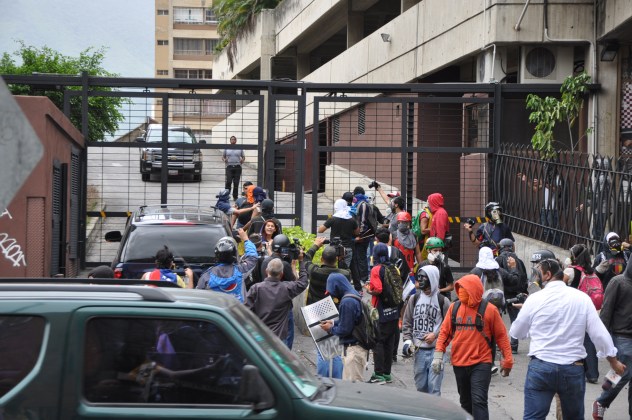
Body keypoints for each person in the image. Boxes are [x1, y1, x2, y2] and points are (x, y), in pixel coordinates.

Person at [509, 258, 625, 420]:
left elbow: (517, 332)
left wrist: (532, 323)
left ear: (548, 275)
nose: (536, 278)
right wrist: (613, 361)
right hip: (572, 370)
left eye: (539, 273)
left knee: (533, 417)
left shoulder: (534, 300)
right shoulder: (582, 298)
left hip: (541, 367)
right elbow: (599, 334)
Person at [434, 274, 513, 420]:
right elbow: (445, 333)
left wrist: (508, 360)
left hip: (481, 363)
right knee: (465, 402)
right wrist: (438, 355)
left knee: (479, 401)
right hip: (459, 362)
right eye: (460, 288)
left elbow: (501, 336)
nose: (462, 292)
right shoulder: (454, 308)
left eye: (465, 288)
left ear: (475, 290)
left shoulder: (490, 310)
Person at [304, 237, 352, 379]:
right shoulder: (344, 274)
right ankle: (337, 380)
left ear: (322, 259)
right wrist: (341, 257)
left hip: (315, 312)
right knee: (335, 349)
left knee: (322, 349)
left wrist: (315, 245)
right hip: (335, 312)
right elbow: (346, 269)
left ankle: (322, 379)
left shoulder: (315, 271)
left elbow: (305, 260)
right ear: (336, 259)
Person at [401, 265, 450, 395]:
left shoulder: (443, 301)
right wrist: (407, 340)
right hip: (419, 351)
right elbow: (406, 322)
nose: (420, 280)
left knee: (434, 388)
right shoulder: (414, 298)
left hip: (437, 351)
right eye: (419, 277)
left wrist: (435, 335)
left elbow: (450, 325)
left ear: (432, 278)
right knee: (421, 387)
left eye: (424, 277)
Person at [593, 259, 632, 420]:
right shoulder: (618, 282)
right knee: (624, 372)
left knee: (624, 372)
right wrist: (603, 341)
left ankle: (609, 383)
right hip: (621, 335)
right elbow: (606, 311)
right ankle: (602, 401)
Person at [562, 243, 601, 383]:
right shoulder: (591, 271)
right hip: (589, 310)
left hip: (573, 311)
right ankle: (592, 374)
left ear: (574, 256)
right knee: (588, 341)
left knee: (572, 339)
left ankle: (572, 369)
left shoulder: (570, 271)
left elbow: (557, 287)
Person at [245, 257, 308, 344]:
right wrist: (301, 262)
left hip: (260, 336)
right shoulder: (287, 288)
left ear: (266, 271)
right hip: (279, 338)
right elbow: (303, 282)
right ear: (281, 274)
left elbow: (246, 311)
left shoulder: (255, 288)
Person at [320, 273, 368, 382]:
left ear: (337, 286)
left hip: (353, 351)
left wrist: (330, 329)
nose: (333, 295)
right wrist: (332, 322)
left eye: (332, 292)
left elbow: (345, 329)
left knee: (353, 390)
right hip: (357, 348)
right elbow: (349, 321)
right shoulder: (353, 294)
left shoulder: (347, 302)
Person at [364, 243, 401, 384]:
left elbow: (378, 289)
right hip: (394, 310)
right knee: (389, 341)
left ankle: (378, 374)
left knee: (378, 341)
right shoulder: (394, 268)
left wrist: (368, 290)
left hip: (381, 310)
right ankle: (387, 374)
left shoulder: (376, 269)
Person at [196, 228, 258, 302]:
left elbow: (198, 296)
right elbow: (253, 257)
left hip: (217, 312)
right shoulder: (241, 270)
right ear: (234, 254)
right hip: (238, 311)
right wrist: (246, 240)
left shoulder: (207, 276)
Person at [260, 234, 299, 349]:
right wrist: (293, 265)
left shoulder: (265, 261)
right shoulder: (284, 265)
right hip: (283, 307)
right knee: (286, 338)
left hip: (266, 306)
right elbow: (294, 283)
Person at [495, 238, 527, 354]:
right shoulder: (519, 261)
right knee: (515, 320)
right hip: (516, 294)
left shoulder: (497, 260)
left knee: (496, 319)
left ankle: (498, 344)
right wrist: (524, 291)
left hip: (500, 293)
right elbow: (523, 277)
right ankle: (513, 346)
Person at [318, 198, 359, 269]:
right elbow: (357, 232)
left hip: (334, 249)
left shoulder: (333, 219)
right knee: (344, 270)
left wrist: (328, 222)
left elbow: (320, 230)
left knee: (332, 269)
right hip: (347, 248)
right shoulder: (351, 219)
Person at [350, 186, 376, 291]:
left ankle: (363, 278)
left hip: (362, 236)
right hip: (360, 235)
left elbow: (363, 221)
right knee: (357, 256)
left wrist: (359, 234)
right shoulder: (359, 204)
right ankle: (359, 277)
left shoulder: (363, 204)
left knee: (361, 257)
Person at [222, 135, 245, 201]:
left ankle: (235, 197)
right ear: (230, 140)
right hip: (229, 167)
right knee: (228, 181)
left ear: (236, 140)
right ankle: (226, 196)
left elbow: (243, 157)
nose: (233, 140)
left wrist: (242, 160)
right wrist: (224, 160)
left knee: (236, 182)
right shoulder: (227, 148)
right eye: (231, 139)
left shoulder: (239, 148)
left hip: (238, 167)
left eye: (234, 139)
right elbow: (223, 157)